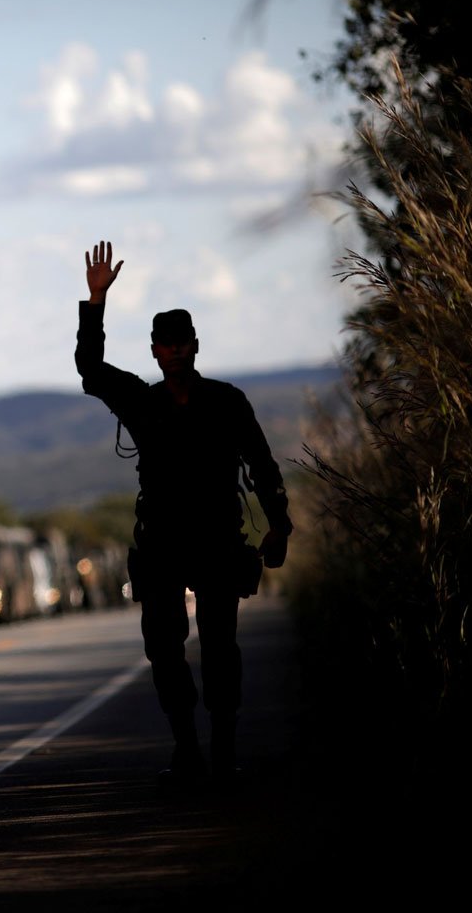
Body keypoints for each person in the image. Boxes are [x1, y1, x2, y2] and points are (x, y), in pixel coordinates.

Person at [75, 240, 291, 788]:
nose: (174, 351)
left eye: (181, 343)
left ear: (195, 345)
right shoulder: (142, 402)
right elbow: (91, 368)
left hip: (218, 537)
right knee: (164, 651)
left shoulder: (227, 401)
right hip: (163, 543)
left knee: (220, 647)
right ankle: (187, 750)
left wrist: (278, 526)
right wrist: (95, 300)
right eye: (165, 345)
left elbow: (262, 466)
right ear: (154, 351)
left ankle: (221, 754)